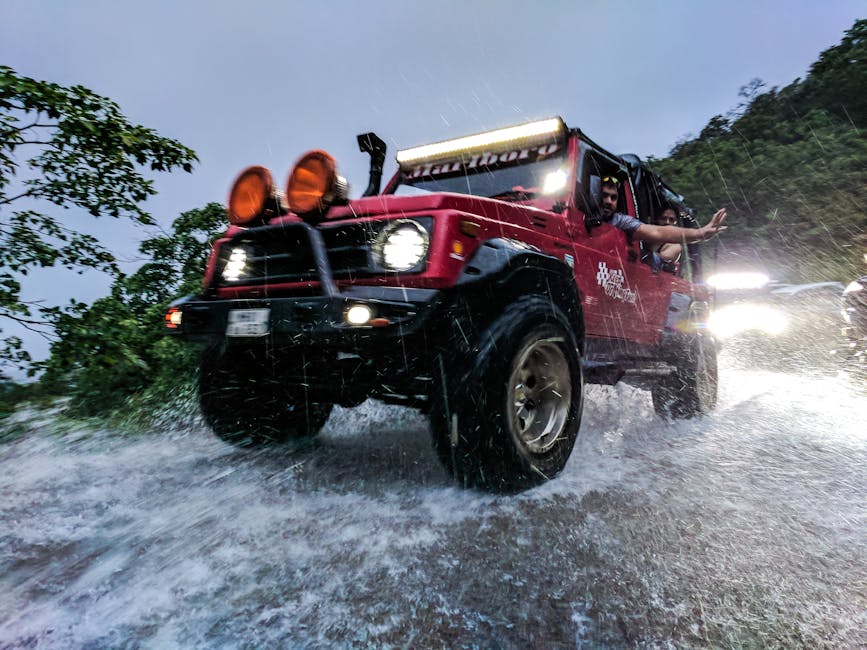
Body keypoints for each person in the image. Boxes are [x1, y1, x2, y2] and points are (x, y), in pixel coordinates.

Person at [599, 176, 727, 245]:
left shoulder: (621, 220)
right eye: (604, 195)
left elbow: (658, 232)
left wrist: (700, 233)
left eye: (613, 197)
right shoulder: (582, 212)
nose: (609, 201)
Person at [652, 205, 683, 272]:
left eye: (671, 220)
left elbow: (654, 262)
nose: (667, 222)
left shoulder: (674, 246)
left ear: (676, 224)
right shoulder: (646, 235)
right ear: (658, 219)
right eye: (663, 218)